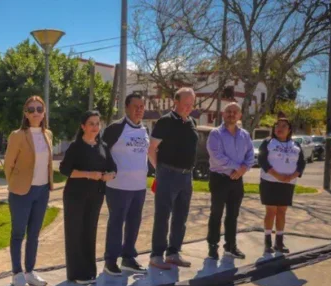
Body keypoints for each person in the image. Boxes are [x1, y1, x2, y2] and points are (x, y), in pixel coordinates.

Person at [3, 96, 54, 286]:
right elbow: (9, 164)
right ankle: (17, 273)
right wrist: (15, 183)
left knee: (34, 234)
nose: (35, 112)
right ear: (25, 113)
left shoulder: (48, 134)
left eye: (39, 109)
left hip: (42, 191)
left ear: (44, 112)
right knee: (18, 233)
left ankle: (30, 272)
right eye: (31, 109)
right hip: (21, 192)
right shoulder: (17, 135)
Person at [60, 110, 116, 284]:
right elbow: (65, 170)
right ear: (83, 126)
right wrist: (88, 174)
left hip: (96, 195)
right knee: (75, 232)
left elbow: (113, 168)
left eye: (97, 124)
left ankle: (89, 271)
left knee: (89, 232)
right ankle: (76, 274)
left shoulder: (103, 147)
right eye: (91, 123)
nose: (95, 127)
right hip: (75, 195)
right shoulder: (76, 147)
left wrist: (110, 175)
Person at [148, 88, 199, 270]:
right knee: (162, 216)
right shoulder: (165, 121)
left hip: (187, 176)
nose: (189, 107)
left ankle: (173, 253)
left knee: (181, 216)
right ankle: (156, 255)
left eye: (191, 104)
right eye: (185, 104)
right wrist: (160, 170)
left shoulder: (192, 122)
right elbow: (152, 148)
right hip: (168, 174)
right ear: (175, 102)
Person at [101, 93, 149, 275]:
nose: (139, 110)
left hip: (139, 187)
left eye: (142, 106)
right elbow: (103, 151)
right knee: (116, 223)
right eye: (136, 106)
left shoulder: (144, 130)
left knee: (134, 223)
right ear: (126, 108)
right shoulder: (116, 128)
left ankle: (128, 258)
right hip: (118, 187)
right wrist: (108, 170)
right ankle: (110, 260)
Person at [205, 102, 255, 260]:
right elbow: (216, 156)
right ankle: (213, 246)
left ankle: (231, 246)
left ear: (240, 115)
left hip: (237, 180)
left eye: (235, 112)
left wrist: (242, 169)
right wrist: (237, 167)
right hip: (219, 179)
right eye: (228, 111)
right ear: (223, 114)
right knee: (216, 213)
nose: (232, 114)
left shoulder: (245, 135)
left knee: (233, 215)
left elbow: (251, 155)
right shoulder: (215, 134)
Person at [258, 117, 306, 254]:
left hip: (288, 183)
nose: (280, 128)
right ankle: (267, 241)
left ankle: (279, 242)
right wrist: (276, 175)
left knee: (282, 211)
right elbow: (262, 160)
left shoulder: (296, 145)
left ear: (289, 129)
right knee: (271, 211)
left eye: (284, 126)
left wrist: (292, 176)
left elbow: (301, 163)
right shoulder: (268, 142)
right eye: (277, 125)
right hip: (270, 182)